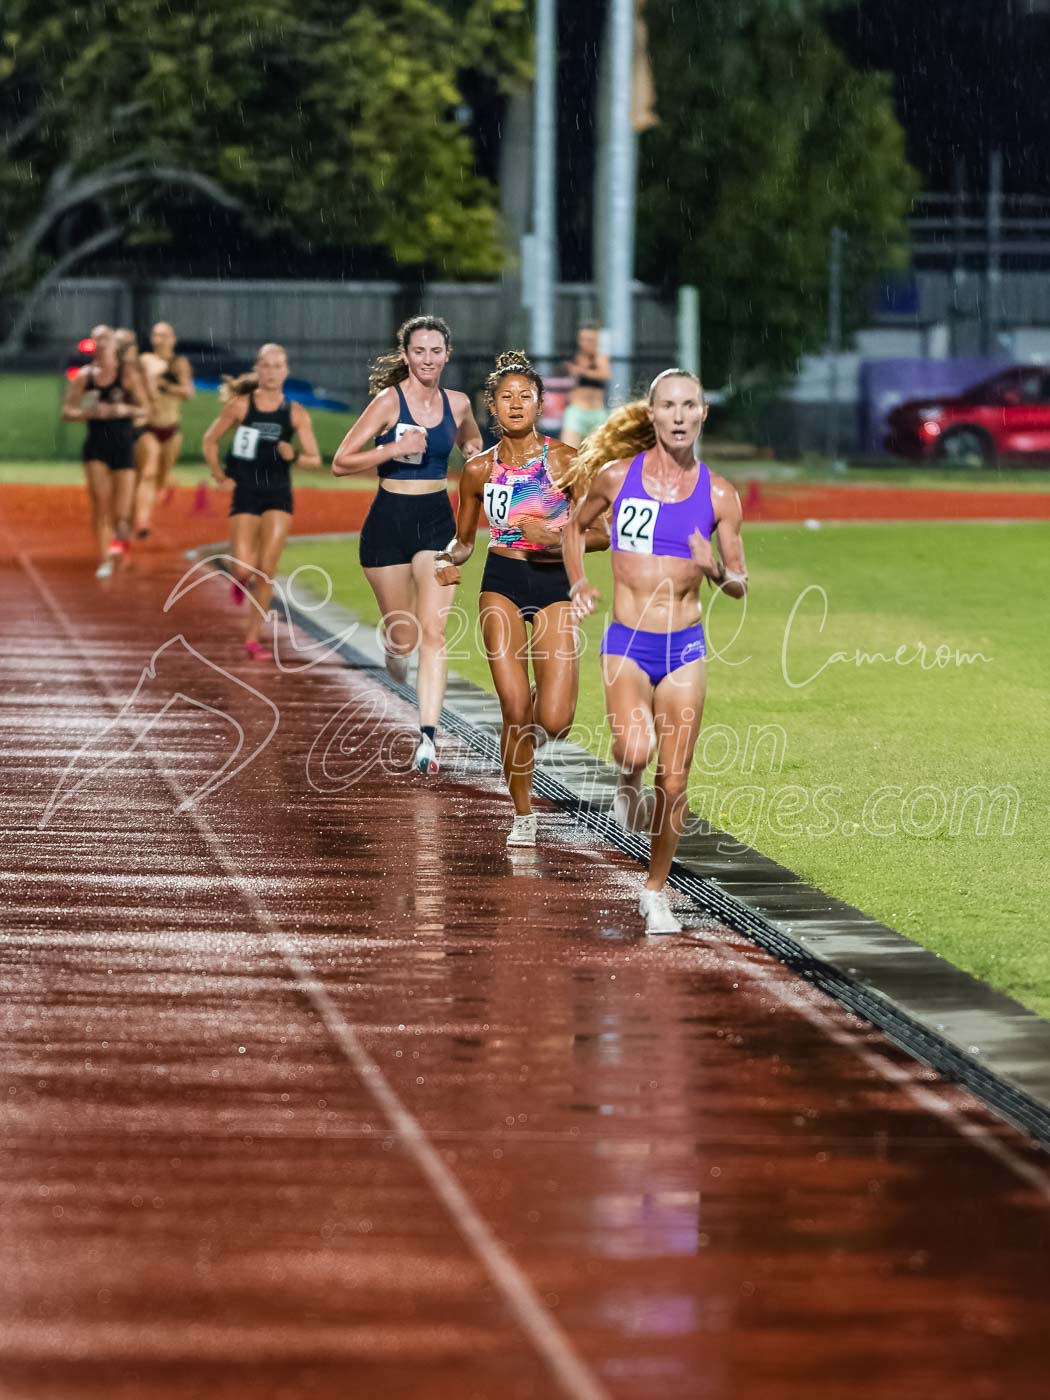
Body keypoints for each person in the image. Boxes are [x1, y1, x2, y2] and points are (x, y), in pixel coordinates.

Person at [563, 369, 748, 935]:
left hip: (685, 648)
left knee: (675, 780)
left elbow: (739, 583)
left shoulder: (720, 495)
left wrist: (713, 567)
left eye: (689, 405)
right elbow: (574, 529)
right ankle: (626, 780)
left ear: (703, 414)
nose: (679, 416)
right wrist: (578, 582)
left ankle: (655, 889)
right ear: (652, 414)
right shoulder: (618, 477)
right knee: (636, 750)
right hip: (627, 642)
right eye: (668, 406)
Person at [434, 352, 609, 847]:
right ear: (492, 407)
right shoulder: (477, 470)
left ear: (540, 404)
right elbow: (463, 541)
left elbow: (603, 532)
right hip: (502, 581)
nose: (516, 404)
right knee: (513, 708)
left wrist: (557, 538)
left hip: (554, 583)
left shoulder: (566, 461)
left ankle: (531, 720)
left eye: (525, 397)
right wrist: (446, 558)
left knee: (554, 722)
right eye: (506, 397)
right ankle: (523, 813)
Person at [332, 315, 483, 775]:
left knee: (434, 632)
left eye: (436, 351)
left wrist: (472, 450)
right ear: (405, 354)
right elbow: (341, 461)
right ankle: (394, 652)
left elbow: (471, 435)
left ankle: (428, 740)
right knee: (405, 638)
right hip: (387, 525)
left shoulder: (458, 402)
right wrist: (392, 450)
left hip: (437, 522)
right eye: (419, 351)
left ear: (447, 354)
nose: (428, 360)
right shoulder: (387, 402)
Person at [202, 342, 321, 659]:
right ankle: (238, 577)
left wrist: (293, 455)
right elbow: (210, 440)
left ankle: (253, 639)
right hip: (246, 491)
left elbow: (314, 458)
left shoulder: (295, 412)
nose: (271, 372)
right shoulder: (241, 406)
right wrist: (219, 474)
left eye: (277, 366)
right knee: (243, 568)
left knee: (267, 569)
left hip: (278, 494)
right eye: (266, 366)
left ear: (286, 371)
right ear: (257, 369)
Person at [61, 324, 149, 578]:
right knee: (100, 504)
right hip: (96, 446)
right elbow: (67, 411)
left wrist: (123, 410)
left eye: (105, 340)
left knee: (122, 514)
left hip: (123, 445)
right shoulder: (85, 376)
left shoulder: (127, 374)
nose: (100, 345)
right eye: (96, 340)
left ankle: (120, 541)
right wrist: (87, 413)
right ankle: (105, 559)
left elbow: (145, 409)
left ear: (114, 345)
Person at [134, 321, 195, 538]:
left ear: (173, 339)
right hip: (147, 426)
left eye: (165, 335)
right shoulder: (145, 361)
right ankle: (142, 522)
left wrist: (167, 385)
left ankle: (166, 484)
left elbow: (189, 393)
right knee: (148, 472)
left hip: (171, 428)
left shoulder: (179, 363)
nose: (160, 339)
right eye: (156, 335)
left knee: (161, 476)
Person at [561, 323, 611, 448]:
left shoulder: (600, 358)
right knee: (568, 450)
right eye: (583, 339)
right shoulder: (575, 357)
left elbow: (605, 374)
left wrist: (582, 371)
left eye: (590, 340)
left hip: (597, 412)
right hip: (577, 411)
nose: (586, 343)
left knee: (598, 452)